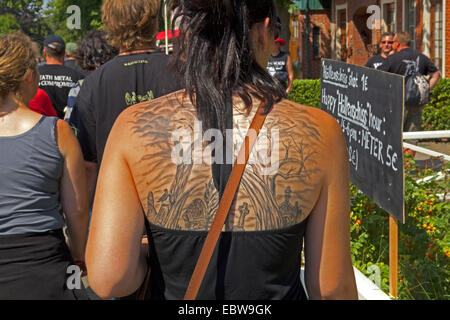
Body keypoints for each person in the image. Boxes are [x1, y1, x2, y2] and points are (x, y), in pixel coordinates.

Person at [86, 0, 357, 300]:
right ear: (264, 31)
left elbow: (110, 279)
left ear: (187, 34)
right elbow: (333, 288)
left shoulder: (132, 127)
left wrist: (154, 251)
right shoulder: (320, 131)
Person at [0, 31, 89, 300]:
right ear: (29, 75)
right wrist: (80, 256)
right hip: (44, 266)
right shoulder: (57, 131)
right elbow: (78, 211)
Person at [75, 0, 182, 207]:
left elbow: (88, 165)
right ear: (155, 23)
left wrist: (87, 221)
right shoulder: (185, 74)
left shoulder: (92, 84)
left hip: (115, 207)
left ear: (110, 25)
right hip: (174, 206)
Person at [379, 31, 441, 132]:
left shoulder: (392, 59)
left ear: (397, 43)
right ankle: (410, 148)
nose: (391, 45)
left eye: (392, 42)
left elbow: (378, 76)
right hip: (416, 100)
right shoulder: (422, 57)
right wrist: (427, 89)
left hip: (397, 102)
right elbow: (436, 74)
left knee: (395, 135)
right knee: (412, 138)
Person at [39, 34, 84, 119]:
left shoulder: (34, 75)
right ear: (64, 53)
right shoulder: (77, 76)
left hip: (39, 127)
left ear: (44, 52)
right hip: (68, 126)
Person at [267, 18, 294, 94]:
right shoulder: (266, 57)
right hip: (268, 91)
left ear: (279, 44)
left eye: (275, 43)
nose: (273, 45)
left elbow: (290, 76)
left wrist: (288, 90)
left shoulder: (285, 56)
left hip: (281, 90)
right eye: (272, 42)